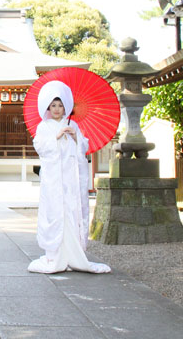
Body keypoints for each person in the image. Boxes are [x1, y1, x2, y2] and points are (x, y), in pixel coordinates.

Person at [28, 80, 111, 274]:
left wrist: (75, 137)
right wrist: (56, 137)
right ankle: (54, 255)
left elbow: (83, 148)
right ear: (48, 107)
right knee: (55, 210)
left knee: (72, 210)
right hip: (54, 178)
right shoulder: (44, 126)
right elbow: (40, 147)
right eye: (53, 105)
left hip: (71, 177)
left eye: (60, 105)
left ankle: (74, 254)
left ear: (66, 106)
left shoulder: (72, 124)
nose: (57, 109)